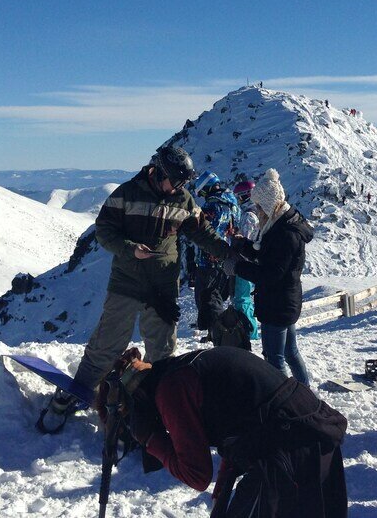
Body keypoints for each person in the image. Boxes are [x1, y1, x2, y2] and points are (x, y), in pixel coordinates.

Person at [42, 146, 235, 429]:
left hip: (163, 285)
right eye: (176, 181)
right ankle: (79, 391)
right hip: (127, 282)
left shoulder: (183, 200)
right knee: (108, 343)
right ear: (159, 173)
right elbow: (105, 231)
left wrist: (226, 252)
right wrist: (130, 249)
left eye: (183, 182)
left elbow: (201, 231)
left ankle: (159, 403)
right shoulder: (126, 194)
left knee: (162, 348)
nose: (179, 187)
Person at [121, 346, 348, 518]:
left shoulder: (170, 390)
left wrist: (152, 440)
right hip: (309, 428)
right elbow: (239, 411)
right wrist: (229, 468)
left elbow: (196, 475)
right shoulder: (185, 366)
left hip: (288, 445)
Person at [224, 168, 313, 385]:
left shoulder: (285, 234)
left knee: (275, 359)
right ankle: (306, 394)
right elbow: (267, 257)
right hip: (285, 301)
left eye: (258, 206)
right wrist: (243, 245)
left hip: (278, 304)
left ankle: (289, 405)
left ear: (268, 205)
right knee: (291, 353)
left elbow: (271, 274)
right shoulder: (280, 224)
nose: (256, 210)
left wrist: (237, 268)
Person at [191, 171, 241, 338]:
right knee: (217, 298)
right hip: (225, 260)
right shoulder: (233, 205)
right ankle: (218, 334)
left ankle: (219, 335)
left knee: (207, 300)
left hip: (208, 261)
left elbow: (202, 235)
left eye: (203, 192)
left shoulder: (211, 207)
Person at [231, 180, 259, 339]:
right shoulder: (257, 212)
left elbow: (245, 241)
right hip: (252, 262)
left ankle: (250, 333)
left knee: (242, 299)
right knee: (244, 298)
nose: (238, 201)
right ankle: (249, 331)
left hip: (246, 263)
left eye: (239, 198)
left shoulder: (248, 215)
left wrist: (236, 240)